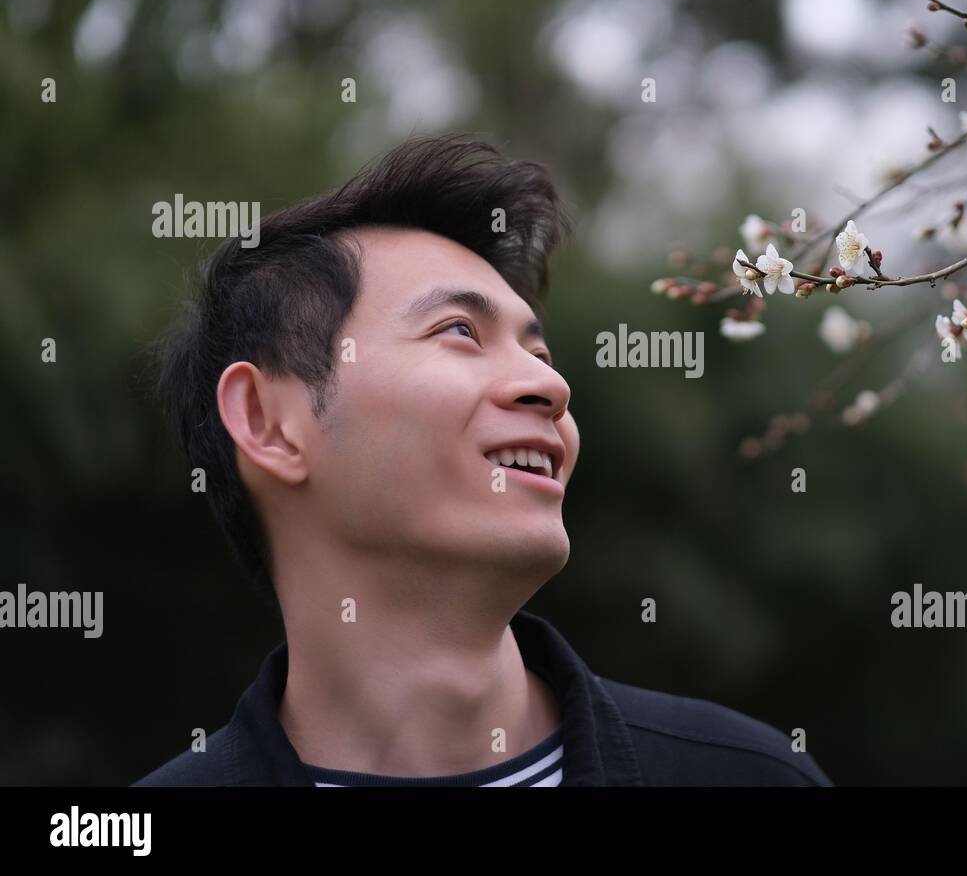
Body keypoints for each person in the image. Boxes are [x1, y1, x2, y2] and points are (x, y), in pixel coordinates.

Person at [133, 134, 833, 787]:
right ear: (269, 423)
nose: (551, 387)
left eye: (539, 353)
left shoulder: (751, 775)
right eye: (460, 331)